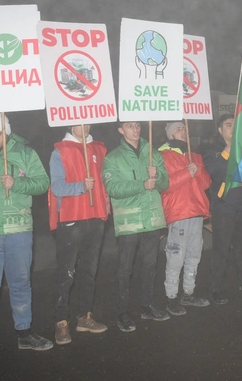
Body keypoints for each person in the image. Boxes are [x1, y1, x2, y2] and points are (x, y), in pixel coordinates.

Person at [0, 113, 53, 367]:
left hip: (19, 229)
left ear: (8, 132)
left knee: (21, 283)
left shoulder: (25, 152)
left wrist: (17, 182)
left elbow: (43, 183)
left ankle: (24, 333)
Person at [103, 121, 170, 332]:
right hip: (129, 222)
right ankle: (122, 312)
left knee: (150, 265)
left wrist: (157, 176)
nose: (136, 129)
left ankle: (147, 305)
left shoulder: (153, 153)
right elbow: (112, 188)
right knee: (125, 269)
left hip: (151, 219)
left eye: (138, 125)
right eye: (130, 126)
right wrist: (140, 184)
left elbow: (165, 184)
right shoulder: (112, 157)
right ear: (121, 130)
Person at [48, 124, 110, 345]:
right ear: (70, 123)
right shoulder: (59, 152)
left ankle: (84, 316)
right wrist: (80, 187)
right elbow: (56, 187)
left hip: (95, 217)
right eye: (79, 122)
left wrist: (106, 204)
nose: (84, 127)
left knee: (88, 272)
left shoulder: (98, 149)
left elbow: (104, 182)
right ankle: (61, 322)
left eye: (87, 122)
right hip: (71, 218)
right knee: (66, 275)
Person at [203, 114, 242, 305]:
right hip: (225, 207)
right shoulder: (212, 150)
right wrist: (225, 154)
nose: (233, 128)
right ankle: (216, 289)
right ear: (220, 130)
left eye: (235, 125)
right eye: (228, 125)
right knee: (221, 248)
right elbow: (216, 172)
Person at [158, 121, 212, 316]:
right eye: (178, 129)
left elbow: (206, 183)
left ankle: (188, 292)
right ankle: (171, 297)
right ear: (171, 135)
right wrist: (186, 173)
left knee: (194, 255)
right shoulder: (163, 155)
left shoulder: (194, 155)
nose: (183, 132)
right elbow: (163, 185)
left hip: (197, 210)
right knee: (175, 256)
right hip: (179, 212)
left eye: (184, 128)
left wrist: (196, 171)